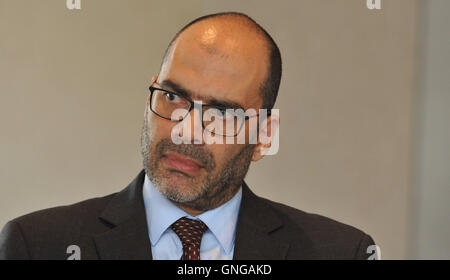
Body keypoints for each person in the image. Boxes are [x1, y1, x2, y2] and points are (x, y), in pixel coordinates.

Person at [0, 12, 376, 260]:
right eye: (173, 96)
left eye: (222, 112)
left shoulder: (341, 253)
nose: (185, 129)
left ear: (263, 135)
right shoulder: (37, 245)